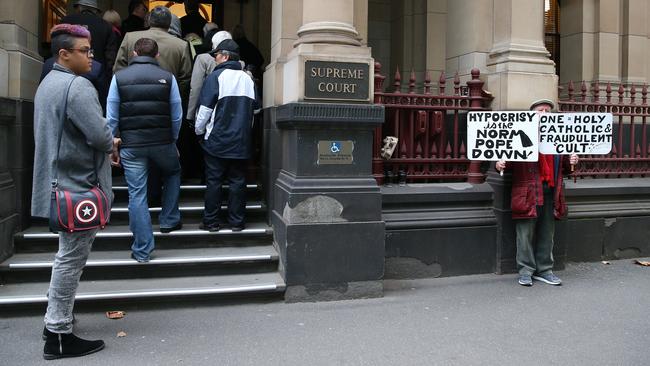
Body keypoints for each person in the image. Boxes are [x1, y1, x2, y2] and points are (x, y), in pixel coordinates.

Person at [33, 24, 114, 360]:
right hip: (78, 185)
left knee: (65, 258)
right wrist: (112, 140)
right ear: (64, 54)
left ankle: (54, 322)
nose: (91, 55)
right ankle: (58, 332)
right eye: (84, 50)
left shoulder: (48, 84)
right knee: (71, 260)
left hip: (57, 182)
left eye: (91, 49)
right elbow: (99, 135)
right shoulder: (78, 86)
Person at [107, 38, 183, 262]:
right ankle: (168, 219)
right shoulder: (168, 78)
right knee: (172, 172)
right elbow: (176, 114)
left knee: (137, 194)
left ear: (133, 53)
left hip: (131, 145)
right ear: (157, 55)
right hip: (163, 142)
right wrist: (174, 141)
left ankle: (142, 249)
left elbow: (111, 115)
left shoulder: (118, 78)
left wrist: (112, 144)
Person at [496, 99, 579, 287]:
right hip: (528, 193)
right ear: (532, 115)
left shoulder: (559, 137)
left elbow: (567, 167)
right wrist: (499, 163)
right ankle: (526, 271)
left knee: (547, 234)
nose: (545, 113)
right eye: (541, 110)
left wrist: (572, 160)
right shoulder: (520, 133)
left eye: (548, 111)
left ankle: (545, 270)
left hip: (551, 192)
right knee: (524, 234)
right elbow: (506, 160)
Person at [195, 39, 258, 232]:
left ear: (226, 56)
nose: (215, 58)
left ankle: (211, 222)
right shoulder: (248, 79)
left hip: (217, 140)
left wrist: (199, 131)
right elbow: (255, 112)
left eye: (217, 55)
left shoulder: (215, 77)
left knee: (214, 181)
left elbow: (204, 110)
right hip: (241, 141)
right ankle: (237, 222)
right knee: (238, 181)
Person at [114, 6, 192, 104]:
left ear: (149, 20)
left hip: (131, 98)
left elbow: (118, 69)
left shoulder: (130, 38)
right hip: (164, 100)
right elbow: (185, 79)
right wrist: (173, 96)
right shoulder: (181, 45)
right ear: (169, 23)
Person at [61, 0, 118, 97]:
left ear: (79, 7)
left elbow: (56, 47)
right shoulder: (106, 26)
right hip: (96, 76)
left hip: (68, 72)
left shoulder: (66, 22)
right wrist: (107, 80)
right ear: (95, 10)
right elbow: (110, 58)